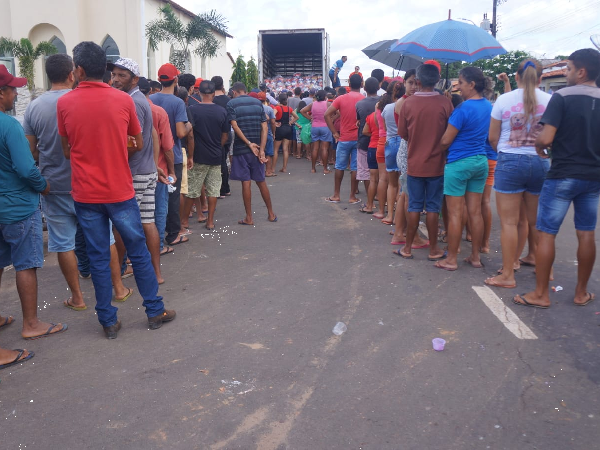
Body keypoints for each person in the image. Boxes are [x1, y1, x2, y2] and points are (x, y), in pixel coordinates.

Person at [57, 41, 175, 339]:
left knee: (98, 257)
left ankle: (108, 320)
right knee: (138, 252)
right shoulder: (123, 101)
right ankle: (154, 310)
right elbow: (137, 141)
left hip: (86, 193)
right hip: (120, 191)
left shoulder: (65, 103)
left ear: (79, 70)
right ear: (105, 70)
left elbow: (66, 151)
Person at [515, 48, 600, 309]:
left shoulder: (562, 96)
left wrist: (542, 145)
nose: (568, 73)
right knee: (586, 233)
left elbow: (546, 137)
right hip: (593, 176)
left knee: (547, 233)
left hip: (563, 173)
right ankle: (580, 292)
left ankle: (541, 294)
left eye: (570, 69)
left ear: (581, 71)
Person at [0, 64, 64, 369]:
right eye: (11, 88)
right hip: (16, 208)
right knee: (25, 264)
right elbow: (26, 169)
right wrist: (43, 185)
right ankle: (31, 323)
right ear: (1, 94)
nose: (15, 93)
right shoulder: (9, 126)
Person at [23, 54, 87, 311]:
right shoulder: (80, 100)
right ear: (72, 74)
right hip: (87, 182)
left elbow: (31, 152)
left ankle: (78, 298)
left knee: (63, 243)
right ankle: (114, 287)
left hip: (53, 184)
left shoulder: (34, 107)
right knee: (103, 237)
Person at [484, 59, 551, 289]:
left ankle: (508, 275)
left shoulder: (504, 100)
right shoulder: (551, 100)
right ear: (541, 78)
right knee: (537, 222)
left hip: (510, 161)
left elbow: (493, 137)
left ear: (516, 76)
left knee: (510, 223)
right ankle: (545, 271)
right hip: (541, 162)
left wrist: (505, 153)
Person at [109, 58, 163, 285]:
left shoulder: (133, 102)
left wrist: (114, 161)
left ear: (135, 79)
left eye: (122, 75)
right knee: (147, 222)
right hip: (146, 170)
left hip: (136, 173)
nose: (116, 79)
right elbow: (151, 136)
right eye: (114, 74)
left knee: (122, 225)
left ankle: (120, 273)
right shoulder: (138, 100)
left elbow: (133, 142)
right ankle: (156, 274)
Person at [435, 67, 492, 271]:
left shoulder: (463, 109)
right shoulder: (489, 107)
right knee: (475, 212)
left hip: (459, 163)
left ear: (472, 84)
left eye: (460, 82)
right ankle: (475, 257)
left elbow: (445, 141)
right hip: (480, 162)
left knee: (455, 214)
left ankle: (451, 259)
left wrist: (439, 146)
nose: (458, 87)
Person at [396, 64, 452, 261]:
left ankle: (408, 248)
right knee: (433, 207)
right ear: (437, 80)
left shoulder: (408, 104)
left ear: (418, 81)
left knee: (414, 206)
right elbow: (450, 133)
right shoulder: (445, 103)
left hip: (414, 163)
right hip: (437, 164)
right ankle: (434, 249)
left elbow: (402, 133)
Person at [150, 63, 192, 246]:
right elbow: (181, 132)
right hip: (173, 154)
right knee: (172, 196)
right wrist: (191, 124)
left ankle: (155, 235)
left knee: (155, 198)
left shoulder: (150, 99)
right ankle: (173, 234)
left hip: (153, 157)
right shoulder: (177, 102)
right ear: (175, 80)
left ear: (159, 80)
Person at [227, 82, 277, 225]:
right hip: (257, 149)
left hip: (242, 149)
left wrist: (248, 143)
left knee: (246, 182)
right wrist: (261, 149)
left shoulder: (232, 103)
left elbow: (234, 126)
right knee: (261, 181)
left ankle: (249, 217)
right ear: (245, 90)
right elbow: (264, 127)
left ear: (234, 92)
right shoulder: (257, 103)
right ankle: (271, 214)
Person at [181, 80, 229, 231]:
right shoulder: (222, 111)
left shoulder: (192, 109)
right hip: (215, 156)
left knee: (192, 190)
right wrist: (217, 146)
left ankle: (184, 222)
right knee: (213, 190)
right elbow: (225, 136)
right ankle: (210, 221)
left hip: (198, 156)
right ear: (214, 94)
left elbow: (189, 135)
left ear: (199, 93)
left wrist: (190, 154)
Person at [140, 77, 176, 257]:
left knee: (137, 214)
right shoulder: (158, 112)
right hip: (158, 170)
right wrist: (172, 171)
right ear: (150, 91)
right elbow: (168, 147)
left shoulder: (126, 108)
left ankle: (136, 251)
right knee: (158, 210)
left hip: (135, 171)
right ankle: (158, 246)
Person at [324, 74, 365, 204]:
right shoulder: (363, 99)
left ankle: (336, 195)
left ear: (349, 84)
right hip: (358, 138)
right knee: (354, 168)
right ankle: (352, 196)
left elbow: (327, 115)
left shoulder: (341, 99)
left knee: (339, 166)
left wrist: (334, 133)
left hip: (344, 138)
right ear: (361, 84)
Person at [355, 77, 381, 211]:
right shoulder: (384, 103)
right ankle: (380, 199)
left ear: (364, 88)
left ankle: (370, 201)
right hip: (382, 142)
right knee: (382, 174)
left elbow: (359, 122)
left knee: (367, 173)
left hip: (365, 142)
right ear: (379, 87)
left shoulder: (359, 104)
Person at [381, 80, 404, 226]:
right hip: (403, 142)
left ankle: (389, 215)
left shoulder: (387, 108)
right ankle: (399, 216)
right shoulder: (407, 106)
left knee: (392, 183)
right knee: (403, 183)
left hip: (389, 143)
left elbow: (383, 127)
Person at [300, 90, 332, 174]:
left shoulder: (312, 104)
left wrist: (310, 118)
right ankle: (325, 169)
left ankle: (313, 168)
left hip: (314, 127)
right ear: (325, 97)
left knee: (315, 148)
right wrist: (332, 119)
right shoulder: (328, 104)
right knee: (324, 148)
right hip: (325, 127)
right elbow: (338, 113)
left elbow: (302, 111)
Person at [212, 76, 232, 197]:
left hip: (214, 135)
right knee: (224, 160)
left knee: (217, 163)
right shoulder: (229, 100)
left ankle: (220, 189)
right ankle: (226, 188)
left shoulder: (212, 100)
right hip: (228, 133)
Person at [271, 93, 298, 173]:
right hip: (288, 128)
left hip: (280, 128)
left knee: (275, 150)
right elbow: (297, 117)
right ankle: (284, 168)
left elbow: (272, 116)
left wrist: (275, 123)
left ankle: (273, 168)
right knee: (285, 149)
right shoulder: (289, 108)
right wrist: (291, 122)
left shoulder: (277, 108)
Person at [259, 92, 277, 177]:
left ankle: (259, 171)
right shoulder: (269, 109)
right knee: (268, 153)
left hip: (257, 134)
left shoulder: (254, 108)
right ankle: (268, 171)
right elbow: (273, 122)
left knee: (259, 152)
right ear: (265, 100)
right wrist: (273, 133)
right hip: (268, 133)